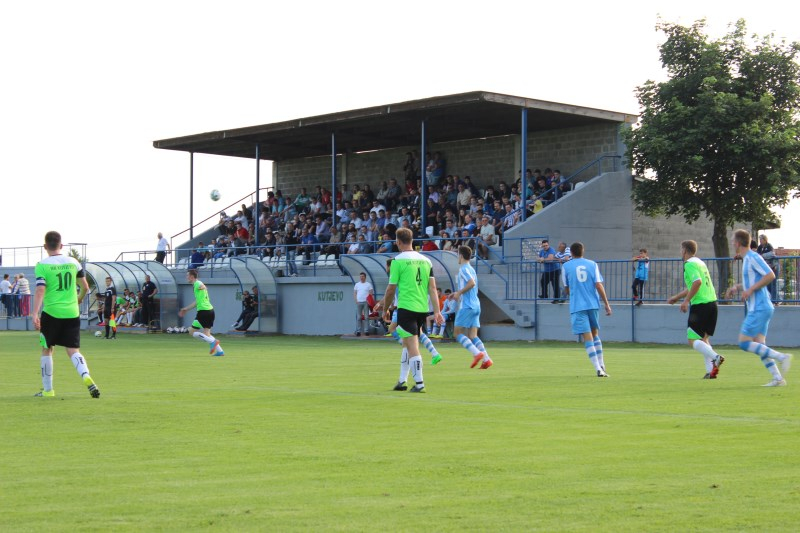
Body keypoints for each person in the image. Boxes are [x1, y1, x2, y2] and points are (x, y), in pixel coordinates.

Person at [32, 231, 100, 398]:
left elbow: (41, 289)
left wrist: (34, 313)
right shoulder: (73, 262)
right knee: (73, 350)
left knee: (47, 349)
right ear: (61, 245)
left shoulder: (42, 265)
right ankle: (86, 376)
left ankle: (48, 391)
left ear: (45, 246)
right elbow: (85, 286)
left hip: (52, 312)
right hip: (72, 312)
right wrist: (78, 299)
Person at [378, 228, 444, 393]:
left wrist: (385, 309)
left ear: (398, 242)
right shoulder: (426, 260)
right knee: (407, 344)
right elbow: (433, 287)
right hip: (422, 308)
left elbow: (391, 289)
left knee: (412, 345)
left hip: (406, 308)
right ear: (412, 240)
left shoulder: (397, 261)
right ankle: (402, 381)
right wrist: (436, 311)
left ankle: (420, 383)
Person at [727, 229, 792, 386]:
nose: (731, 242)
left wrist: (750, 290)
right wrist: (739, 287)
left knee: (744, 343)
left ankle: (782, 357)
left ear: (738, 242)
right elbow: (752, 282)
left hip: (760, 307)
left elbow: (770, 275)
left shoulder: (753, 257)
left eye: (732, 240)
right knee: (759, 345)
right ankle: (778, 378)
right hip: (761, 307)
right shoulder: (747, 259)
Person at [666, 240, 725, 379]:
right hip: (712, 304)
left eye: (681, 250)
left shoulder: (689, 264)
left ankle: (716, 357)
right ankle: (711, 372)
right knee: (703, 339)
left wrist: (686, 301)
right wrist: (677, 297)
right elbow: (693, 285)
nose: (680, 252)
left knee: (692, 340)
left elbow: (697, 283)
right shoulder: (700, 263)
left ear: (685, 251)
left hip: (701, 305)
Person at [561, 242, 612, 377]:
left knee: (587, 337)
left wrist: (573, 290)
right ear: (583, 251)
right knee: (595, 334)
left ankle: (598, 368)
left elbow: (566, 288)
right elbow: (598, 285)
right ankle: (602, 365)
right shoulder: (592, 264)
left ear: (571, 253)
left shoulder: (566, 266)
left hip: (578, 306)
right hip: (593, 304)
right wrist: (607, 304)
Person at [450, 245, 493, 369]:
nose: (457, 257)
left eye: (458, 254)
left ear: (461, 256)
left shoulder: (463, 269)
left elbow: (471, 283)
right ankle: (487, 359)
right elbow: (471, 284)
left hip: (467, 306)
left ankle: (477, 354)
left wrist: (459, 293)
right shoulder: (471, 269)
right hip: (476, 305)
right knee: (473, 336)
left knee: (457, 333)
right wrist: (456, 293)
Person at [179, 269, 225, 356]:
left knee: (195, 332)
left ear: (192, 277)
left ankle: (213, 342)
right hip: (209, 311)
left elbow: (202, 285)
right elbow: (197, 302)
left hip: (204, 311)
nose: (186, 277)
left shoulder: (197, 283)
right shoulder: (196, 286)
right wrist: (186, 309)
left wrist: (204, 286)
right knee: (203, 333)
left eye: (187, 276)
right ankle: (220, 351)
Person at [756, 234, 778, 303]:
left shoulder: (769, 246)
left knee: (773, 283)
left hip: (773, 267)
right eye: (759, 239)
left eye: (761, 239)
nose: (760, 241)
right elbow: (757, 256)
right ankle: (770, 300)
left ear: (765, 240)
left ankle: (774, 300)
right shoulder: (759, 247)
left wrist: (763, 256)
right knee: (767, 284)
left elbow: (772, 254)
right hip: (765, 268)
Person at [353, 272, 373, 337]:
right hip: (359, 302)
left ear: (365, 277)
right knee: (359, 317)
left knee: (366, 317)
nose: (361, 277)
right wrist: (356, 300)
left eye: (363, 276)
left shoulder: (368, 284)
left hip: (366, 302)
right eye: (360, 276)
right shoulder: (357, 284)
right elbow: (355, 293)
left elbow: (371, 293)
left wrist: (369, 301)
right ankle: (358, 331)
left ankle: (366, 331)